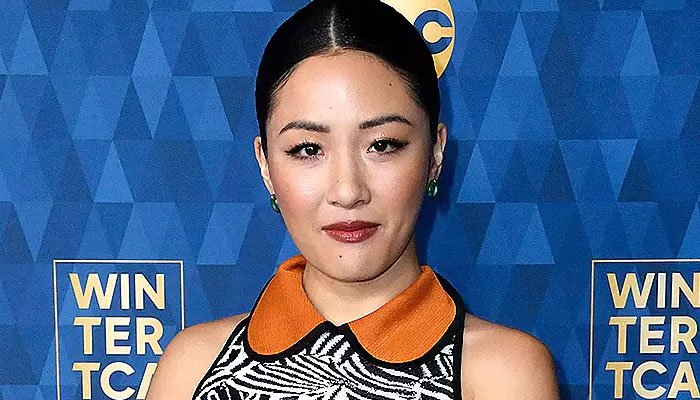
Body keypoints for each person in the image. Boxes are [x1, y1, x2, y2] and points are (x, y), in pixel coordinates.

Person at [147, 0, 560, 398]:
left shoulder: (503, 375)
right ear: (266, 165)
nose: (347, 191)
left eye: (382, 144)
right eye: (308, 149)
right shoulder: (192, 369)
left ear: (435, 155)